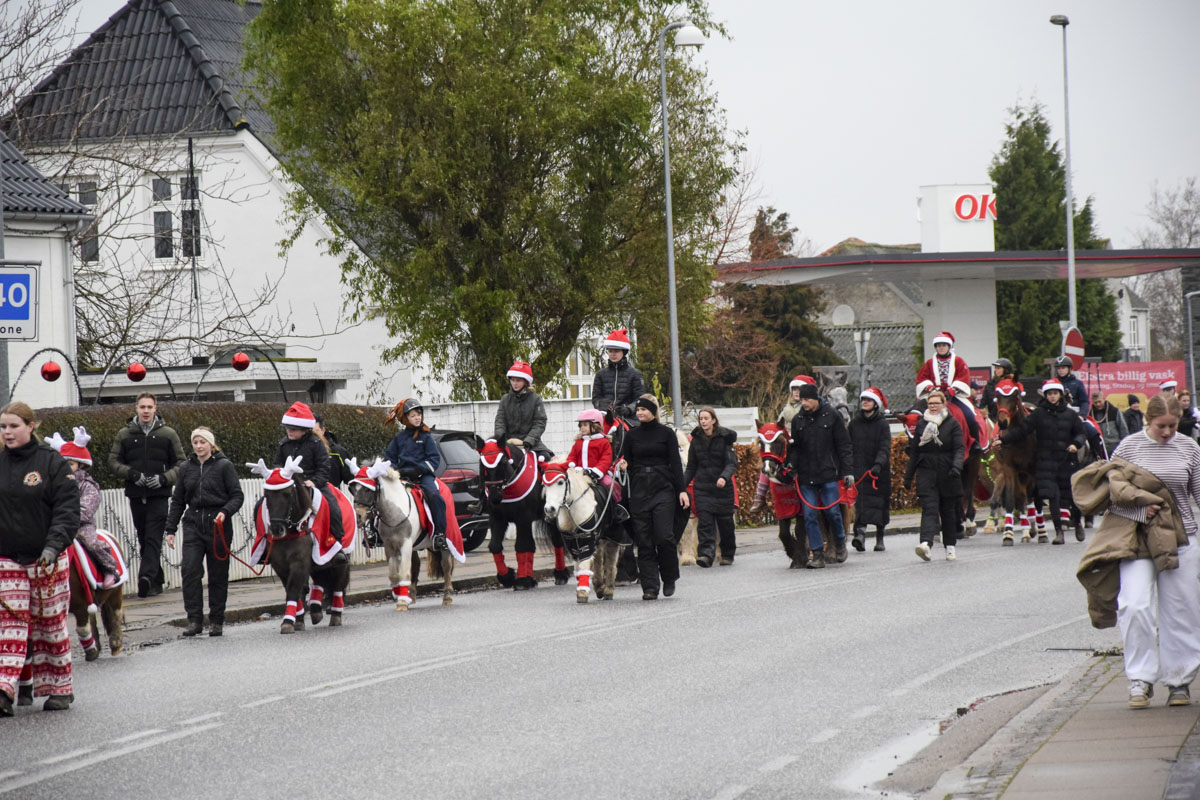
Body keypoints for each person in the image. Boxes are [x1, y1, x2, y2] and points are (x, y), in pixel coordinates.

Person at [1074, 393, 1200, 709]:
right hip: (1136, 537)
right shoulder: (1129, 446)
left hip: (1182, 538)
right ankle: (1140, 679)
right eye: (1162, 426)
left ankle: (1179, 680)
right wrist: (1141, 512)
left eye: (1173, 426)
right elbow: (1112, 493)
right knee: (1134, 604)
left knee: (1182, 611)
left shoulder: (1189, 447)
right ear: (1148, 420)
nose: (1168, 432)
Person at [0, 402, 80, 714]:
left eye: (13, 426)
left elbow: (67, 510)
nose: (7, 432)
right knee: (10, 623)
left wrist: (52, 546)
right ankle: (4, 691)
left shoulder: (51, 463)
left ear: (31, 426)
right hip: (8, 557)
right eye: (3, 427)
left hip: (48, 557)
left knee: (49, 624)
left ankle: (60, 689)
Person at [164, 427, 245, 638]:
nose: (199, 446)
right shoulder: (186, 468)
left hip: (218, 526)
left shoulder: (224, 466)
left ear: (211, 444)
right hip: (193, 524)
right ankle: (194, 620)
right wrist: (170, 529)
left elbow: (237, 496)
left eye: (202, 442)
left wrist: (224, 512)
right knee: (190, 571)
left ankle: (217, 620)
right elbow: (178, 500)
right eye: (195, 442)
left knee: (218, 574)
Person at [107, 392, 185, 598]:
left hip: (159, 495)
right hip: (136, 495)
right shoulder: (124, 435)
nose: (146, 411)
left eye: (149, 407)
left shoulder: (168, 434)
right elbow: (113, 462)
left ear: (155, 408)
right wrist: (132, 474)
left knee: (153, 537)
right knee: (144, 538)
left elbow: (180, 463)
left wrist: (164, 478)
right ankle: (156, 580)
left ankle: (145, 578)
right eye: (142, 407)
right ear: (136, 408)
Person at [616, 395, 687, 600]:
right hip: (639, 489)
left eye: (643, 410)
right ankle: (650, 587)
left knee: (664, 536)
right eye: (637, 410)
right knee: (644, 540)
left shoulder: (666, 434)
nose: (639, 413)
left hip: (664, 488)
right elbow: (627, 459)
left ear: (653, 412)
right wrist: (624, 465)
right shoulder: (632, 435)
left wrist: (681, 490)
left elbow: (675, 463)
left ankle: (669, 577)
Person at [1000, 379, 1087, 545]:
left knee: (1070, 495)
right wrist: (1003, 440)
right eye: (1049, 394)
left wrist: (1076, 444)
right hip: (1046, 461)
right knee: (1053, 497)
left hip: (1067, 460)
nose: (1052, 397)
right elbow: (1023, 430)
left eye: (1055, 393)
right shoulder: (1038, 414)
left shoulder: (1070, 414)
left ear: (1060, 395)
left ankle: (1077, 523)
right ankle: (1059, 532)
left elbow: (1081, 433)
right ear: (1046, 395)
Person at [787, 382, 853, 568]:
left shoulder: (832, 415)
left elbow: (844, 445)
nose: (804, 403)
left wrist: (848, 471)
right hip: (806, 475)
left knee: (833, 512)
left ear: (816, 399)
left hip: (828, 473)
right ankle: (817, 554)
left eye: (807, 399)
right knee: (810, 515)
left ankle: (839, 542)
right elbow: (795, 448)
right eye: (802, 400)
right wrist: (791, 464)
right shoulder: (798, 420)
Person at [45, 427, 118, 589]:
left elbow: (86, 509)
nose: (65, 467)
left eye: (70, 464)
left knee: (91, 542)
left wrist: (66, 520)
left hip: (80, 525)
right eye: (62, 463)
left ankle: (109, 568)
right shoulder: (52, 484)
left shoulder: (87, 486)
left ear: (80, 465)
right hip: (56, 526)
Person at [274, 401, 346, 555]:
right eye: (287, 428)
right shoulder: (283, 444)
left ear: (305, 429)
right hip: (289, 487)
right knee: (265, 506)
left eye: (293, 429)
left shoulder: (316, 443)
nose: (289, 431)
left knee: (333, 508)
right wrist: (280, 477)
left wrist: (313, 482)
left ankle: (338, 547)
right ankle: (265, 547)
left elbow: (324, 468)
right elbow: (277, 464)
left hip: (314, 485)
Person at [904, 391, 964, 561]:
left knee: (948, 511)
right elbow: (915, 450)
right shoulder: (922, 424)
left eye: (936, 403)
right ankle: (925, 544)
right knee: (929, 509)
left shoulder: (952, 424)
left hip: (948, 473)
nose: (933, 406)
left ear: (943, 404)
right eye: (930, 403)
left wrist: (956, 467)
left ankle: (950, 546)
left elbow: (959, 448)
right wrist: (908, 476)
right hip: (926, 472)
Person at [384, 398, 447, 551]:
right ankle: (376, 534)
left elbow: (434, 459)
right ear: (405, 419)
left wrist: (419, 469)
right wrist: (395, 470)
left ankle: (440, 534)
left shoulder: (426, 436)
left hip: (423, 476)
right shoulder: (399, 438)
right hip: (403, 476)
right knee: (383, 496)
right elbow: (389, 458)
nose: (417, 417)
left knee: (434, 496)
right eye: (412, 415)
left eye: (418, 414)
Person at [748, 375, 814, 514]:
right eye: (794, 389)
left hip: (804, 446)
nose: (796, 392)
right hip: (787, 445)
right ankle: (760, 496)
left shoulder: (809, 410)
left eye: (800, 389)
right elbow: (778, 427)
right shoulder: (786, 409)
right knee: (769, 460)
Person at [683, 408, 738, 568]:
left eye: (706, 418)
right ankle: (706, 554)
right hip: (703, 488)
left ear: (713, 420)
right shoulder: (696, 440)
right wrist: (681, 485)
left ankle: (727, 554)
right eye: (701, 419)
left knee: (725, 524)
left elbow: (731, 463)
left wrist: (723, 477)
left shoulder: (725, 439)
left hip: (722, 489)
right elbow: (691, 467)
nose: (703, 421)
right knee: (705, 523)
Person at [914, 330, 981, 452]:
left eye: (944, 345)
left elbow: (964, 377)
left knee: (970, 416)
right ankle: (914, 443)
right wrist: (930, 388)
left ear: (949, 346)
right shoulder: (929, 363)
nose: (941, 348)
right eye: (938, 345)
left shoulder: (959, 361)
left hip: (954, 396)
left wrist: (952, 390)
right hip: (934, 395)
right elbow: (921, 379)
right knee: (914, 414)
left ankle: (975, 443)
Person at [849, 387, 892, 553]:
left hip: (878, 472)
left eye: (868, 400)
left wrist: (878, 465)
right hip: (859, 470)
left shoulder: (882, 424)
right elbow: (848, 445)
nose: (865, 402)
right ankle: (859, 534)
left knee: (879, 504)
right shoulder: (854, 423)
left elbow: (885, 447)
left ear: (876, 404)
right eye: (863, 399)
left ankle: (880, 537)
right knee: (859, 504)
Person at [494, 361, 552, 460]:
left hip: (532, 444)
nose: (515, 383)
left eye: (518, 380)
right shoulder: (505, 399)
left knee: (546, 459)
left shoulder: (536, 399)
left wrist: (528, 441)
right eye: (513, 380)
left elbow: (539, 423)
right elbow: (500, 422)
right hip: (508, 444)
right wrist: (503, 441)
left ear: (525, 382)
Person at [591, 328, 646, 425]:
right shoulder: (600, 374)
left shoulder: (635, 374)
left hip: (629, 419)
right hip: (605, 418)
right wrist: (603, 407)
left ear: (623, 352)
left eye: (616, 351)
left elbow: (639, 399)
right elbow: (596, 398)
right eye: (610, 351)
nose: (613, 354)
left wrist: (628, 409)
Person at [314, 415, 354, 489]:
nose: (313, 436)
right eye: (309, 432)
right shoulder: (297, 450)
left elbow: (352, 480)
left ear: (323, 430)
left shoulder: (338, 453)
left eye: (316, 432)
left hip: (331, 496)